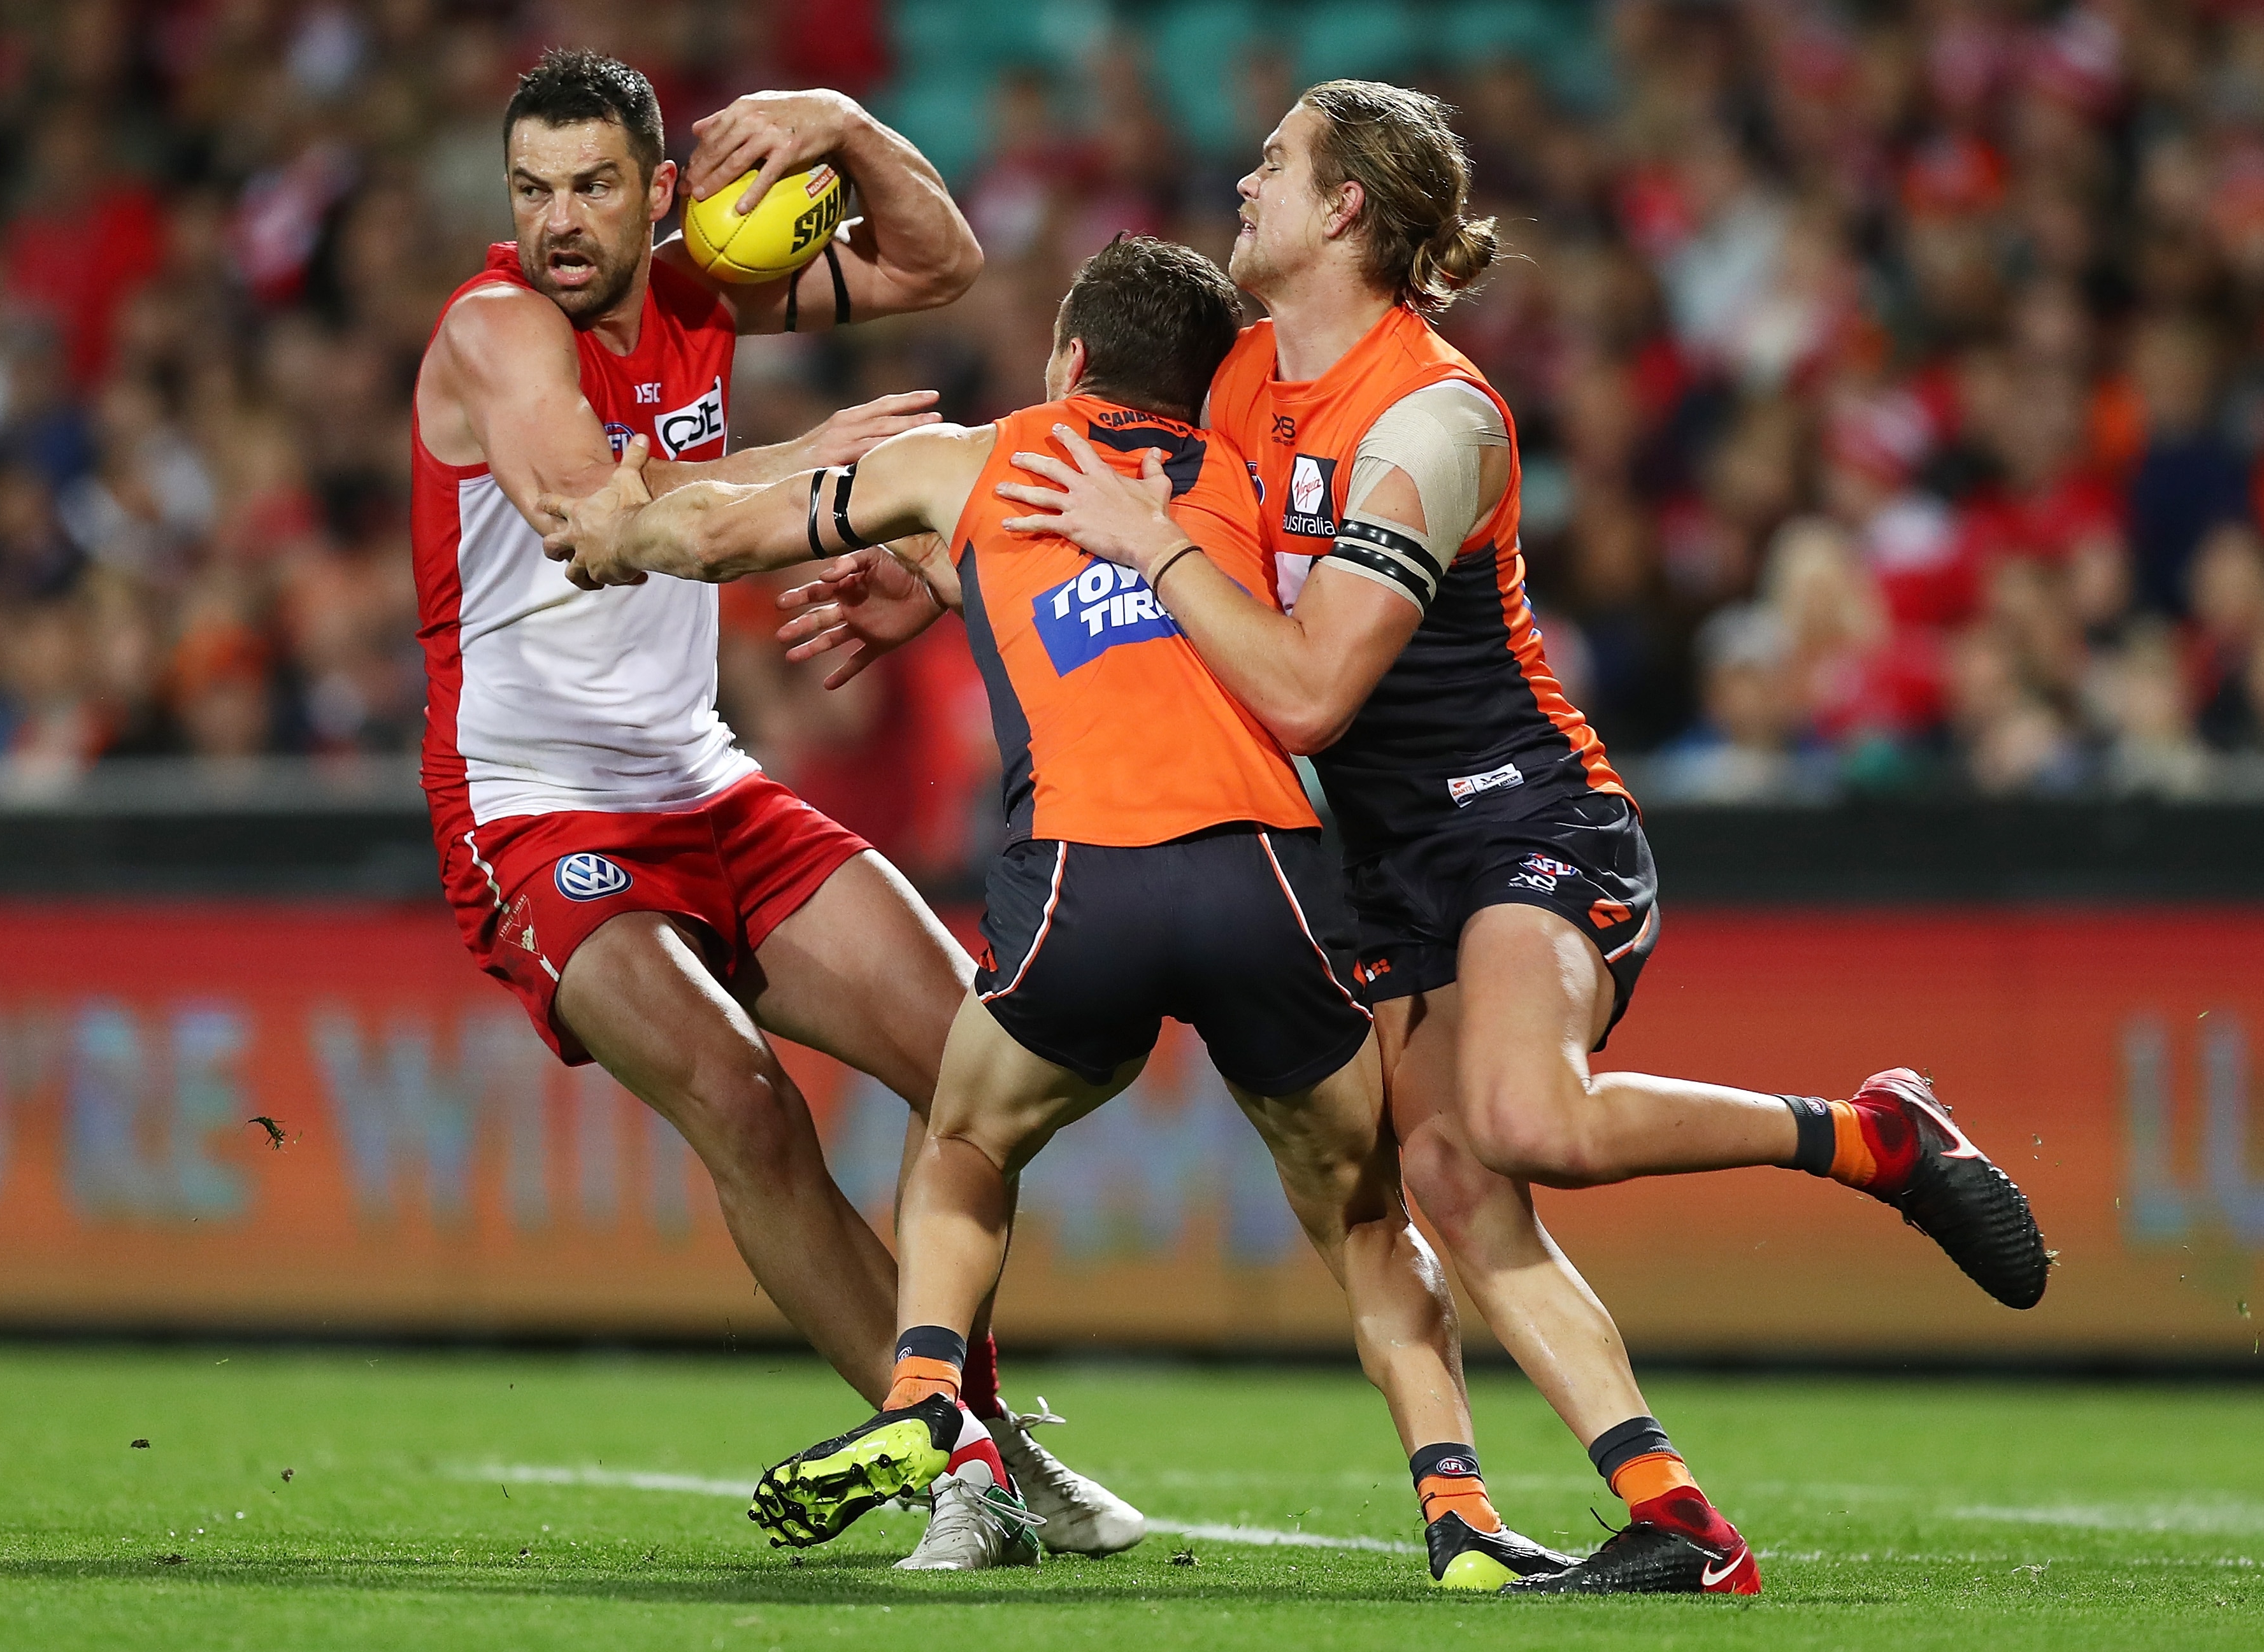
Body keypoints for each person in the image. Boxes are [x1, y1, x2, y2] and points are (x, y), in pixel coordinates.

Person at [793, 83, 2052, 1597]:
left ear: (1344, 210)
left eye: (1277, 162)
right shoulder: (1243, 383)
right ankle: (1677, 1521)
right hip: (1382, 862)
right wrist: (938, 583)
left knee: (1529, 1123)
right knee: (1445, 1182)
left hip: (1519, 811)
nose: (1246, 180)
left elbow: (1311, 686)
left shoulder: (1434, 416)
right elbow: (1127, 575)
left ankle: (1872, 1134)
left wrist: (1161, 543)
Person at [543, 234, 1574, 1590]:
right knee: (1366, 1219)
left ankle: (929, 1408)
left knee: (966, 1140)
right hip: (1266, 876)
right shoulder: (1259, 487)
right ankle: (1459, 1517)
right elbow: (1181, 620)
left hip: (1086, 876)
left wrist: (609, 531)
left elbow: (719, 530)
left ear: (1074, 358)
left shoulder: (980, 457)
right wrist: (946, 591)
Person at [409, 47, 1138, 1570]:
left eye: (595, 185)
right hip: (535, 813)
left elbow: (940, 258)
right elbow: (596, 527)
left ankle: (970, 1435)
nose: (560, 219)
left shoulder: (696, 288)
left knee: (973, 1063)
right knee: (745, 1105)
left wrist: (850, 126)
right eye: (533, 188)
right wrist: (802, 468)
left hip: (704, 778)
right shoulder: (495, 330)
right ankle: (971, 1461)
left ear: (658, 191)